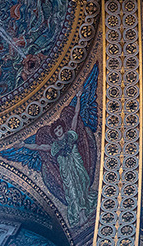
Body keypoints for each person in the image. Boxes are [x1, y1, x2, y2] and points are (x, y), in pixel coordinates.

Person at [24, 96, 96, 225]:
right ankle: (80, 216)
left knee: (82, 188)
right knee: (72, 193)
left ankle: (86, 211)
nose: (58, 131)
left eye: (59, 129)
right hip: (67, 172)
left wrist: (79, 97)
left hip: (77, 166)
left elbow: (75, 116)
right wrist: (23, 145)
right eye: (55, 130)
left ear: (62, 128)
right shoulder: (55, 146)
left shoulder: (70, 135)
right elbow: (39, 147)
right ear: (54, 133)